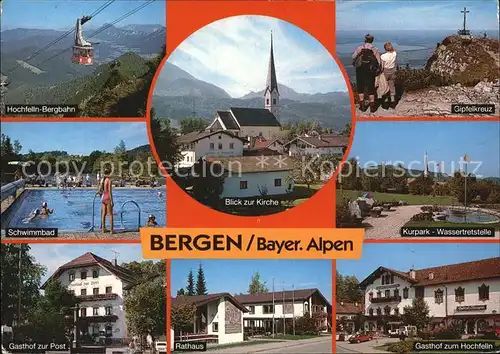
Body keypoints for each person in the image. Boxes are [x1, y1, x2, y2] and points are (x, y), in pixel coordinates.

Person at [352, 34, 382, 112]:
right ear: (372, 40)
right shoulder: (375, 49)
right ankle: (372, 108)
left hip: (360, 70)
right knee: (371, 88)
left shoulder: (360, 48)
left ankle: (362, 106)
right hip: (370, 71)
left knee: (360, 88)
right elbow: (378, 62)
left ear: (365, 40)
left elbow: (353, 57)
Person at [381, 41, 397, 108]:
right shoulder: (394, 54)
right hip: (393, 71)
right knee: (392, 85)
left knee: (385, 86)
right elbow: (394, 50)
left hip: (385, 71)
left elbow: (382, 66)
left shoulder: (383, 56)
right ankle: (393, 102)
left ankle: (386, 101)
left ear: (385, 48)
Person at [99, 168, 114, 233]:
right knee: (110, 214)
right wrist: (112, 201)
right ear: (109, 173)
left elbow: (99, 190)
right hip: (107, 197)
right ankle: (111, 230)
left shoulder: (102, 180)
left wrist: (101, 196)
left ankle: (103, 229)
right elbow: (110, 192)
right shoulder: (109, 181)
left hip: (103, 197)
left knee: (103, 214)